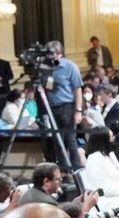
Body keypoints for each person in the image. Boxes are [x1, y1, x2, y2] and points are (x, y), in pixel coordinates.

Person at [44, 40, 84, 169]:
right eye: (48, 54)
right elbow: (49, 86)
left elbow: (78, 89)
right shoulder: (48, 68)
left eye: (52, 54)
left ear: (60, 54)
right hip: (52, 107)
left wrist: (78, 110)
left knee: (70, 140)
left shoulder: (70, 67)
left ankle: (76, 168)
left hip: (67, 106)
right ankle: (63, 169)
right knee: (57, 140)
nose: (50, 57)